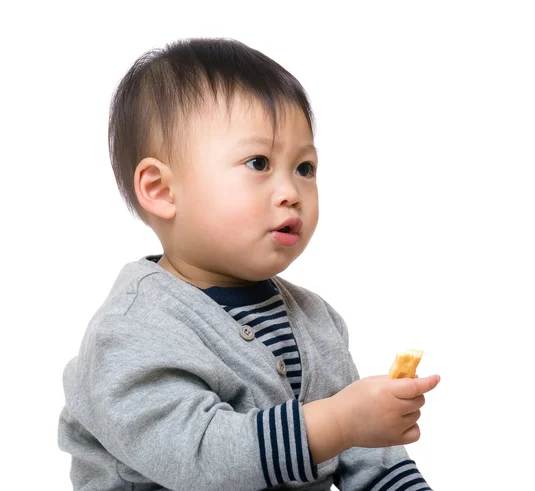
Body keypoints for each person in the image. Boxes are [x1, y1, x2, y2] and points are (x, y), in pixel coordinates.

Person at [58, 37, 441, 491]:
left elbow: (363, 453)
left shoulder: (316, 321)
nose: (290, 192)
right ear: (161, 190)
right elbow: (201, 458)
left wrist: (367, 431)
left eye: (304, 168)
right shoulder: (130, 333)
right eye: (258, 162)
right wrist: (339, 422)